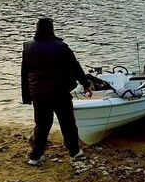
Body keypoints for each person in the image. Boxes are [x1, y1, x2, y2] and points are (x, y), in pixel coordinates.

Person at [21, 18, 92, 165]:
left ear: (37, 30)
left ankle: (35, 157)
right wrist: (86, 84)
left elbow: (25, 74)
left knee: (41, 126)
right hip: (60, 93)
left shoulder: (27, 47)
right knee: (68, 124)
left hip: (39, 95)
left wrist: (27, 96)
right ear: (51, 29)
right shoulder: (61, 47)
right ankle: (74, 152)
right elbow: (75, 67)